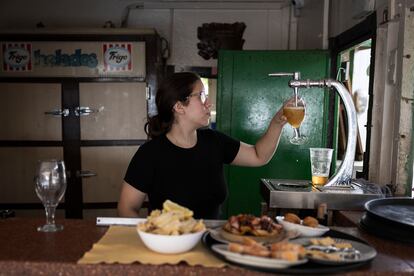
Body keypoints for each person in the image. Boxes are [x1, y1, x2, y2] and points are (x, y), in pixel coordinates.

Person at [117, 72, 289, 219]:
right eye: (201, 96)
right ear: (179, 106)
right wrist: (154, 234)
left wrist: (277, 123)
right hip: (170, 247)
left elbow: (259, 156)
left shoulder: (214, 141)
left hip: (211, 243)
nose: (209, 103)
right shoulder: (150, 154)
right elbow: (126, 208)